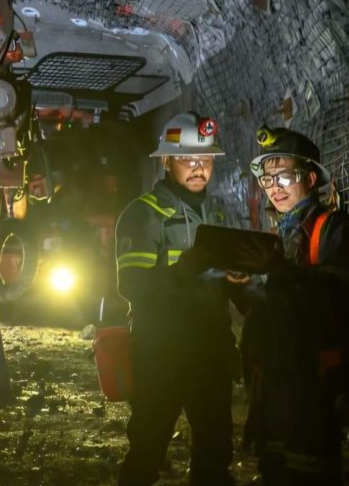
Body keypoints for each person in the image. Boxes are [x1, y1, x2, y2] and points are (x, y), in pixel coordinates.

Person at [233, 126, 349, 485]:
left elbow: (337, 298)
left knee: (310, 471)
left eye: (285, 176)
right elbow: (266, 308)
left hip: (315, 382)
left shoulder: (332, 228)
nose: (275, 187)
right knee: (275, 468)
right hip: (275, 382)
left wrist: (280, 273)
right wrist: (239, 287)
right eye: (267, 180)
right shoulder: (277, 236)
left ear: (311, 178)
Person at [114, 112, 236, 486]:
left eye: (206, 159)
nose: (199, 167)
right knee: (148, 449)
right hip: (161, 354)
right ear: (166, 161)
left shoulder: (217, 213)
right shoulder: (143, 215)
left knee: (215, 452)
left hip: (211, 352)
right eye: (187, 158)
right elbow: (132, 284)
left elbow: (224, 281)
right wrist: (184, 270)